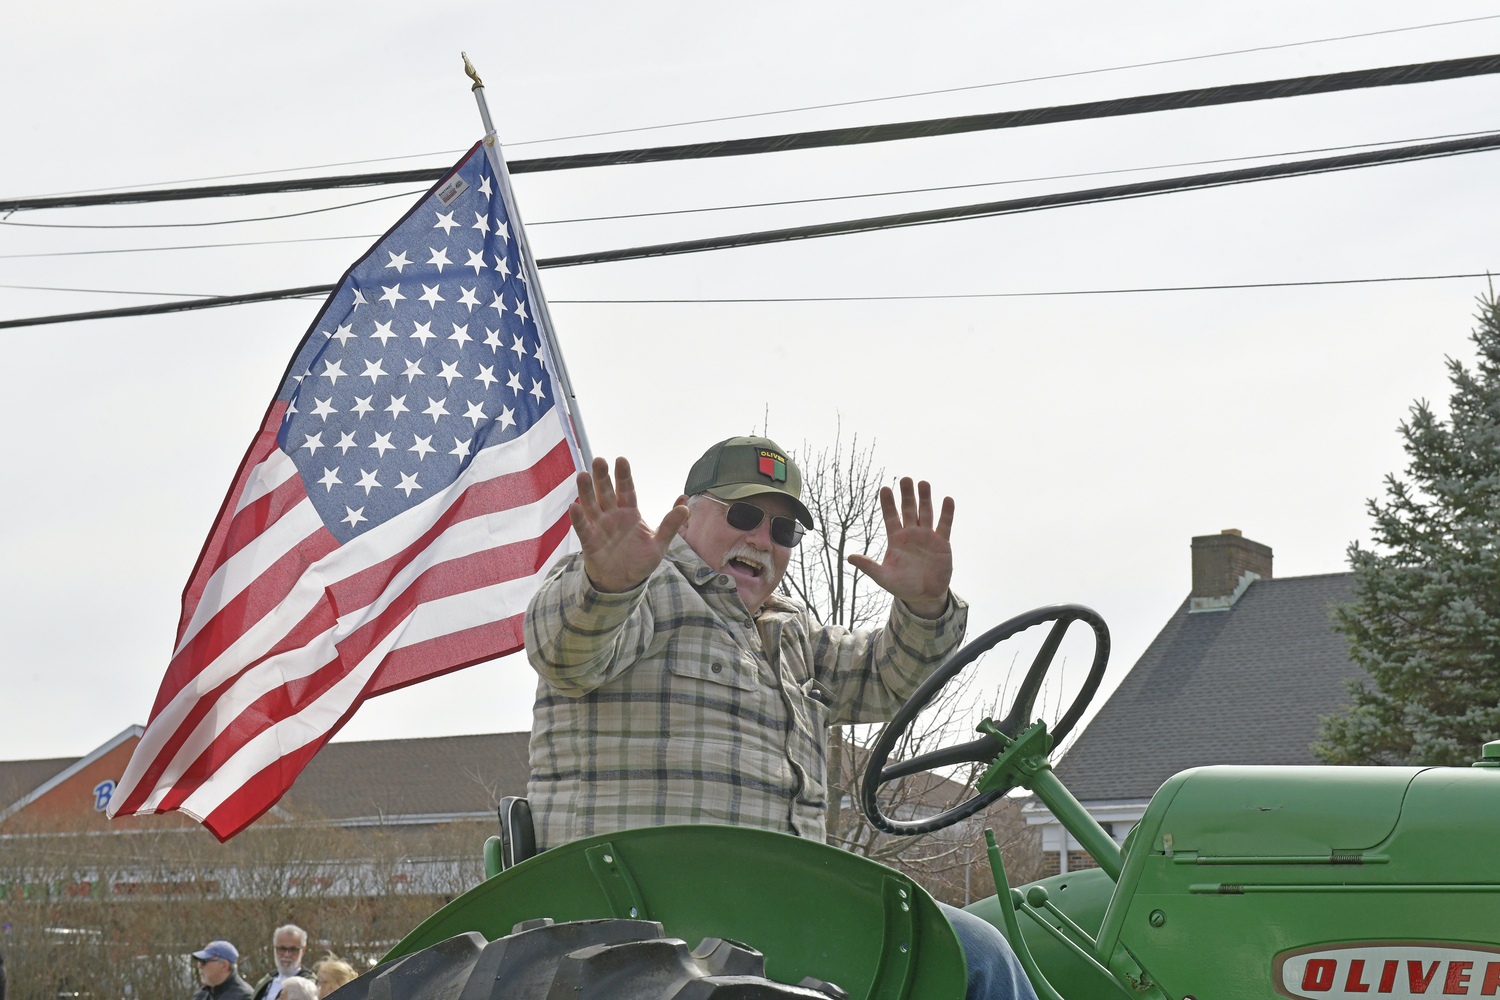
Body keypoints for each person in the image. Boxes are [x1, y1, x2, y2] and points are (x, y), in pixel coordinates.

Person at [524, 436, 1037, 1000]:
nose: (761, 538)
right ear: (686, 511)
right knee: (977, 954)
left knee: (977, 954)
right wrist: (608, 585)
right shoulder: (644, 590)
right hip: (648, 917)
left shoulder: (789, 633)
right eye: (743, 514)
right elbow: (564, 653)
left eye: (783, 530)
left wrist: (923, 610)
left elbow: (885, 676)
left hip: (783, 914)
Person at [250, 925, 312, 1000]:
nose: (286, 955)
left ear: (303, 950)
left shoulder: (308, 986)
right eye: (282, 949)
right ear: (274, 948)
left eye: (293, 950)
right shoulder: (265, 982)